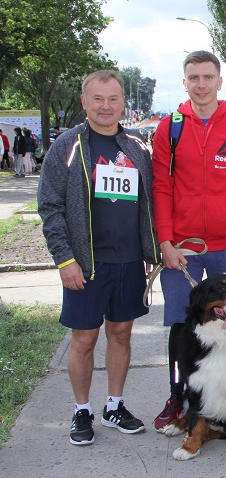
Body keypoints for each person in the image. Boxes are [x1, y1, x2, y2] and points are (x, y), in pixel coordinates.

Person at [37, 70, 160, 446]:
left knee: (121, 334)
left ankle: (114, 405)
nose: (106, 106)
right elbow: (50, 207)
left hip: (128, 263)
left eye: (113, 99)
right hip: (85, 264)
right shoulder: (68, 146)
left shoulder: (137, 147)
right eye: (98, 99)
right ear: (84, 101)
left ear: (123, 102)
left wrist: (152, 248)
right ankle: (81, 410)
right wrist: (64, 260)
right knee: (84, 339)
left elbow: (150, 203)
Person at [151, 50, 226, 432]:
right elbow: (161, 188)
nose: (201, 84)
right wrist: (165, 241)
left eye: (207, 77)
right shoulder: (170, 127)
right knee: (182, 328)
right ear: (184, 82)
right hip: (182, 251)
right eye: (193, 77)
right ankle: (178, 398)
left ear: (219, 81)